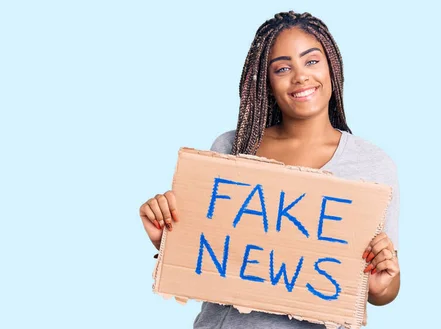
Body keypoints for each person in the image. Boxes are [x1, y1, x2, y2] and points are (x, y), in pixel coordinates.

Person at [139, 11, 401, 329]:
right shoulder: (232, 148)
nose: (301, 76)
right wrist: (166, 236)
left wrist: (382, 284)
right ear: (267, 81)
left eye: (312, 61)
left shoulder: (371, 166)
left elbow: (380, 290)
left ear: (332, 65)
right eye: (282, 68)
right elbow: (212, 255)